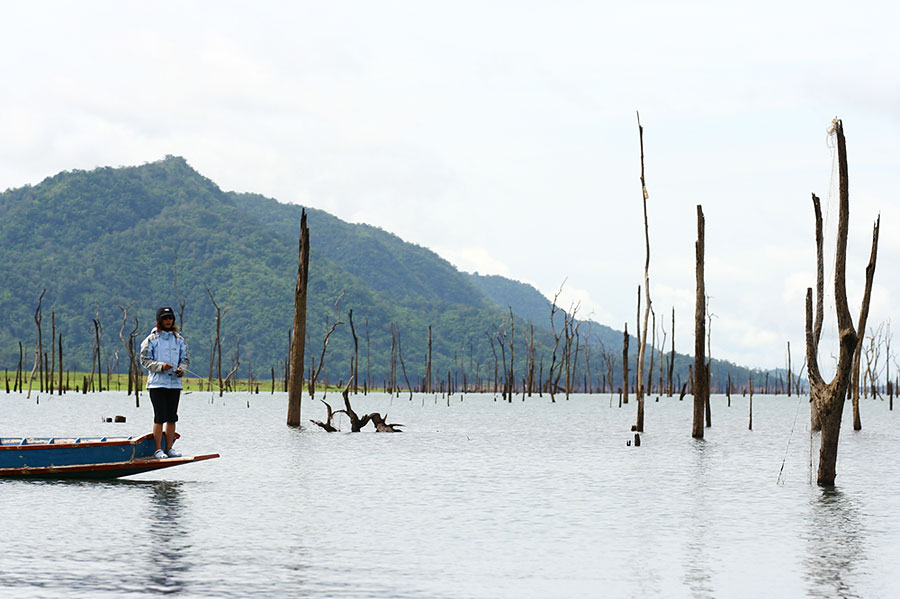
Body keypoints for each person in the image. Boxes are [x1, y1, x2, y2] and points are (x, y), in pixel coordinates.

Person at [140, 306, 189, 459]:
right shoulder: (151, 339)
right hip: (157, 384)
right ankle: (157, 450)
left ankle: (169, 449)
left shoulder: (179, 339)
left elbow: (185, 359)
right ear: (159, 320)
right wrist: (160, 366)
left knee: (172, 417)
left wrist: (182, 369)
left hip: (174, 384)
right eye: (165, 318)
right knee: (159, 417)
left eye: (170, 318)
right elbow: (144, 360)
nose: (168, 321)